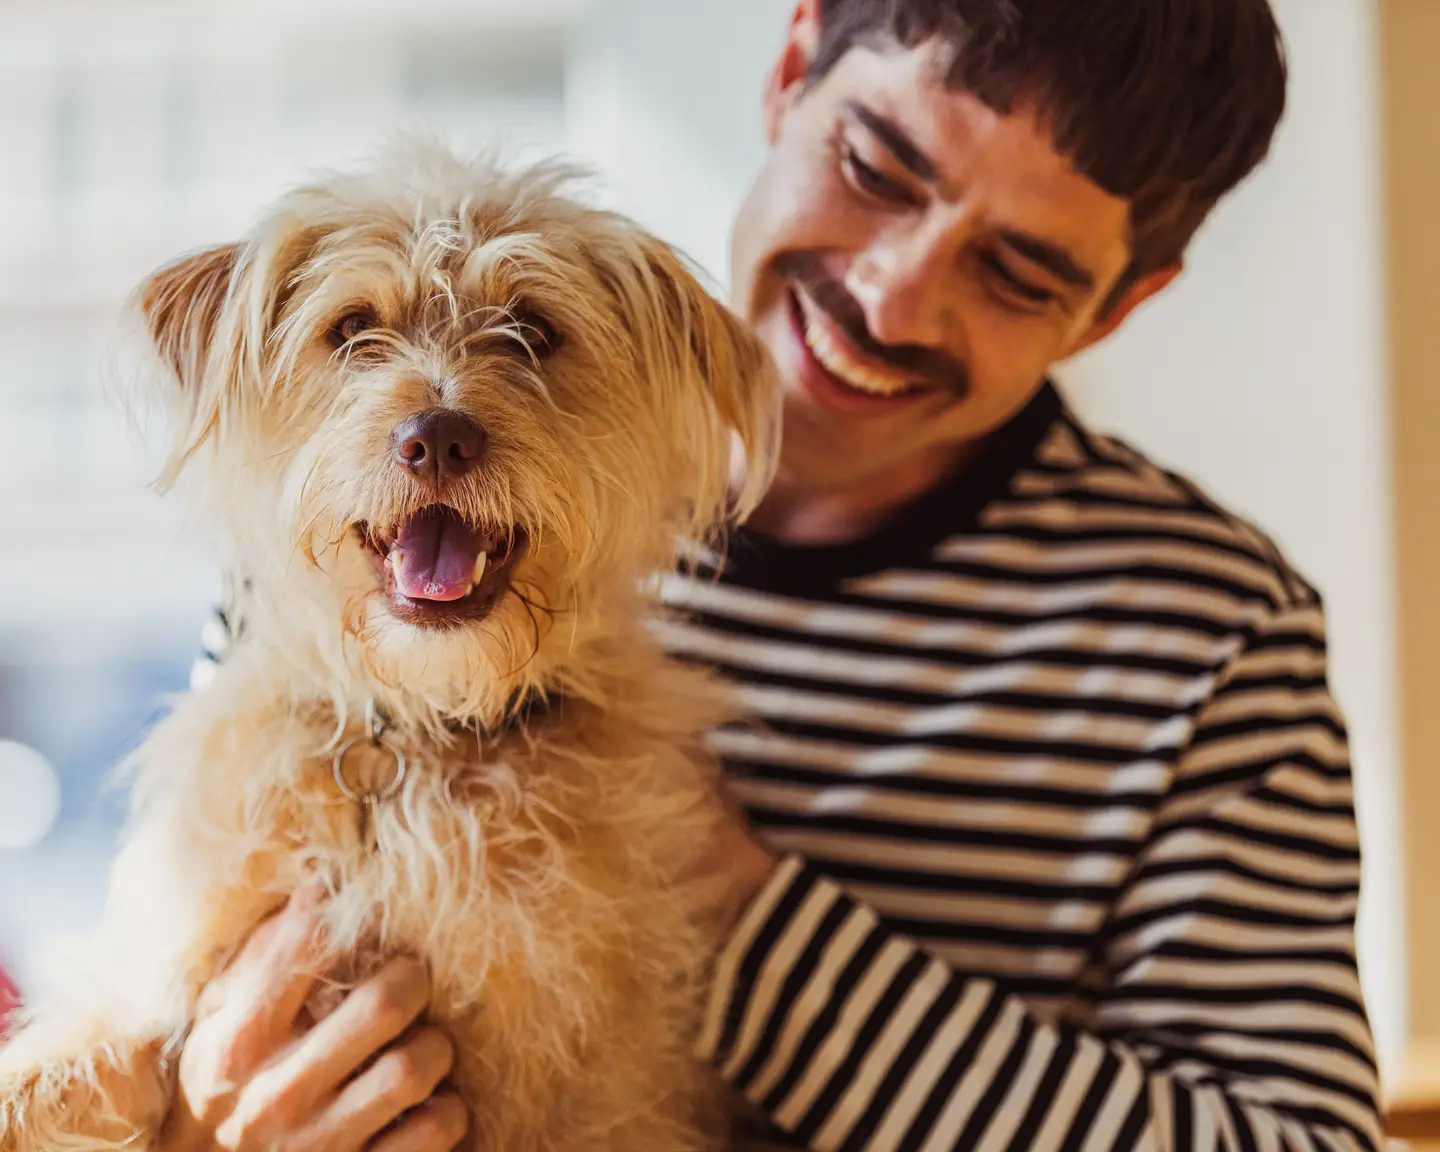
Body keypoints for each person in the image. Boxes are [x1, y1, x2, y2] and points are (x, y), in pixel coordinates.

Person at [167, 1, 1385, 1149]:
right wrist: (213, 1107)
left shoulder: (1217, 640)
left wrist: (737, 914)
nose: (889, 297)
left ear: (1119, 306)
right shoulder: (380, 534)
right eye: (874, 170)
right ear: (794, 62)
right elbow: (219, 1006)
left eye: (1017, 272)